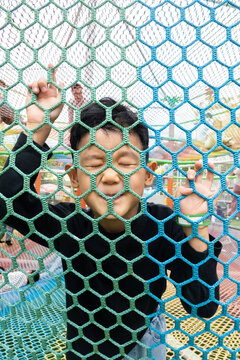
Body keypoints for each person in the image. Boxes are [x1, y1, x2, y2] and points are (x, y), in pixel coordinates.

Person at [0, 67, 222, 360]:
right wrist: (38, 130)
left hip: (143, 340)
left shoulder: (163, 225)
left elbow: (202, 306)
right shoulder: (70, 225)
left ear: (147, 174)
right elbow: (7, 201)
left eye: (125, 162)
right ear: (75, 179)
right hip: (85, 346)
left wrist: (196, 227)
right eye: (94, 163)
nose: (110, 176)